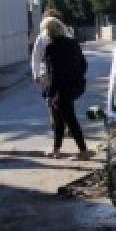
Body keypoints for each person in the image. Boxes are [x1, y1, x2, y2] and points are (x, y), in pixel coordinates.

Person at [41, 16, 92, 160]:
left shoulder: (51, 48)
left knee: (69, 119)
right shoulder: (73, 43)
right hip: (75, 86)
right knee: (59, 119)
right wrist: (77, 78)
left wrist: (49, 93)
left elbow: (54, 74)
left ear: (48, 32)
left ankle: (83, 152)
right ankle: (56, 149)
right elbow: (83, 65)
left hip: (61, 89)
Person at [31, 8, 64, 88]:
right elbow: (36, 57)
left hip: (51, 74)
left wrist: (36, 74)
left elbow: (36, 57)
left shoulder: (41, 38)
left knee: (52, 97)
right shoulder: (42, 38)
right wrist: (36, 73)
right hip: (51, 74)